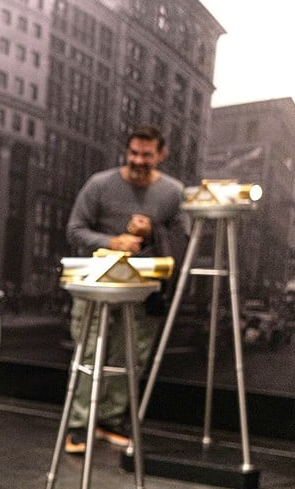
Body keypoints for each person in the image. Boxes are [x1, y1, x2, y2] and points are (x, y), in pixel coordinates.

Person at [63, 124, 188, 454]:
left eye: (146, 154)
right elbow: (74, 230)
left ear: (161, 154)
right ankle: (79, 424)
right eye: (133, 153)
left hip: (142, 289)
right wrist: (112, 241)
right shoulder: (99, 184)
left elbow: (182, 241)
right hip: (95, 284)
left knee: (131, 354)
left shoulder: (172, 192)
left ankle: (110, 420)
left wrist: (151, 233)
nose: (138, 160)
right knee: (88, 353)